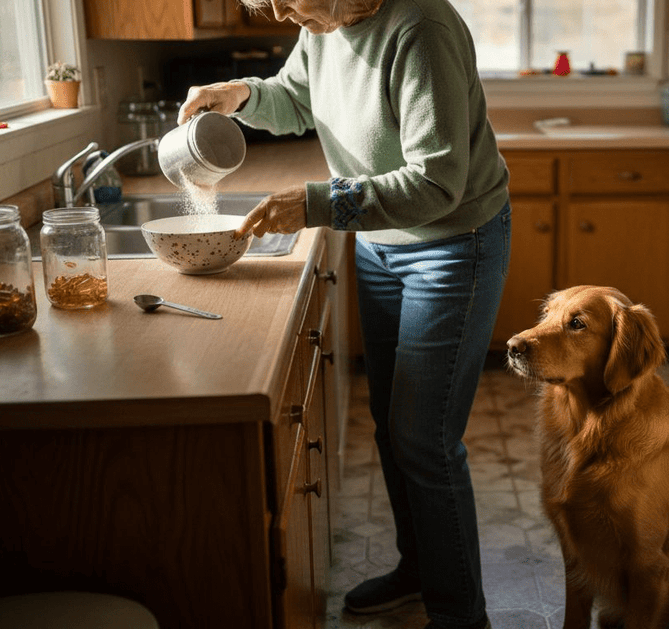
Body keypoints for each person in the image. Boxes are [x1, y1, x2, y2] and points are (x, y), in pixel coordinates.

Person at [177, 1, 510, 628]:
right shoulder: (321, 23)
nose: (277, 11)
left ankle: (462, 616)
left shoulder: (420, 30)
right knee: (392, 424)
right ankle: (421, 569)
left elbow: (440, 182)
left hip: (451, 245)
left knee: (426, 440)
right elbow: (298, 98)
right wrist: (239, 94)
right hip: (383, 243)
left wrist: (315, 203)